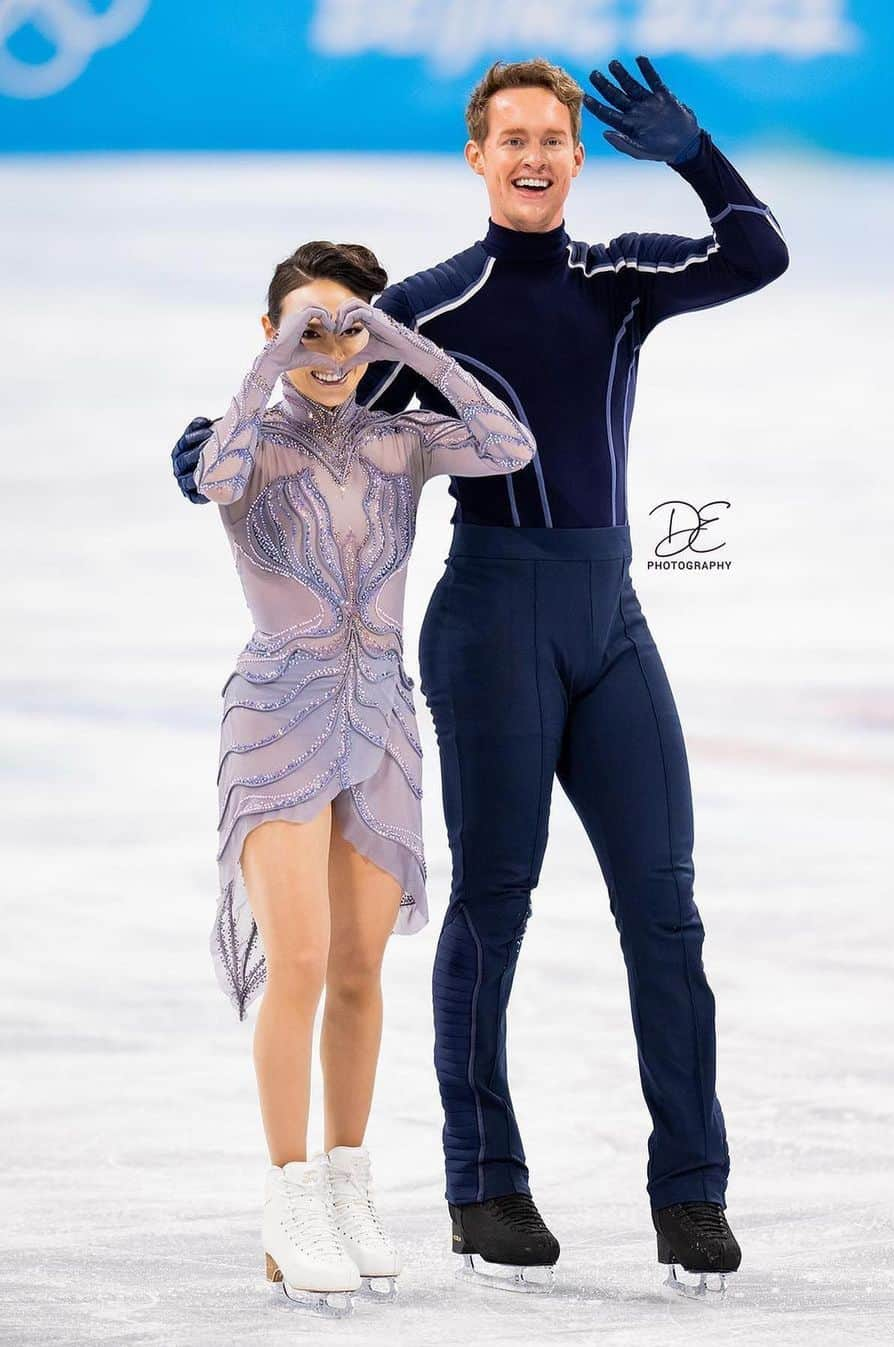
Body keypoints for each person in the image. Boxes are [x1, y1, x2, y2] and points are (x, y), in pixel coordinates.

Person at [172, 56, 788, 1294]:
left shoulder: (617, 281)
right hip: (491, 617)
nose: (534, 155)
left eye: (553, 138)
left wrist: (695, 152)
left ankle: (693, 1192)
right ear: (475, 155)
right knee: (495, 903)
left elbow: (757, 253)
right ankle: (485, 1188)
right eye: (511, 136)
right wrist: (219, 429)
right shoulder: (428, 308)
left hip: (610, 610)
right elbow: (325, 401)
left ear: (573, 153)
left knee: (664, 907)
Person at [189, 240, 536, 1309]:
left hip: (382, 718)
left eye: (349, 330)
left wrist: (402, 343)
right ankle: (288, 1195)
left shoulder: (398, 442)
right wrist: (272, 365)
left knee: (357, 969)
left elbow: (510, 444)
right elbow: (217, 480)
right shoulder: (246, 440)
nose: (332, 352)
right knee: (295, 958)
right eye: (308, 331)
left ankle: (346, 1185)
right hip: (279, 720)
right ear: (271, 335)